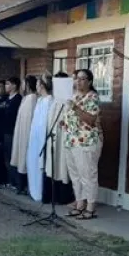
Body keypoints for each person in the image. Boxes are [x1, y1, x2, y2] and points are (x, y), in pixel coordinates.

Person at [62, 68, 103, 219]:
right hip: (71, 141)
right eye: (76, 79)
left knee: (88, 175)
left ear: (90, 82)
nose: (78, 81)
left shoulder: (92, 97)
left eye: (82, 79)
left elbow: (91, 120)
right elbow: (71, 118)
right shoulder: (73, 96)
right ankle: (80, 204)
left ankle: (91, 207)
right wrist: (64, 122)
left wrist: (75, 108)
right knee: (75, 175)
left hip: (87, 142)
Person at [44, 72, 74, 205]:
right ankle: (51, 195)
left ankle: (63, 196)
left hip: (64, 138)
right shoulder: (54, 101)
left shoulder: (70, 100)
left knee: (62, 164)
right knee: (52, 164)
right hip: (53, 137)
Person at [27, 75, 54, 201]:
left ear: (42, 86)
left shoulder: (49, 100)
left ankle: (42, 192)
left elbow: (45, 123)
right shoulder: (39, 100)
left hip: (42, 138)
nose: (36, 87)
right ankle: (34, 189)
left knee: (41, 164)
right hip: (35, 137)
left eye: (37, 84)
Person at [10, 75, 38, 193]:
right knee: (19, 158)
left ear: (27, 85)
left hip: (27, 134)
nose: (22, 86)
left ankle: (23, 186)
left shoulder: (32, 98)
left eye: (23, 84)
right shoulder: (25, 98)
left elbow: (30, 118)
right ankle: (19, 185)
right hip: (20, 133)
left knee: (24, 160)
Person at [3, 77, 23, 191]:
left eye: (8, 84)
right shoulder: (7, 99)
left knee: (13, 157)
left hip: (12, 132)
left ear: (14, 85)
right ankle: (10, 181)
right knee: (6, 157)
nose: (6, 86)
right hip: (5, 131)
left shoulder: (18, 99)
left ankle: (16, 183)